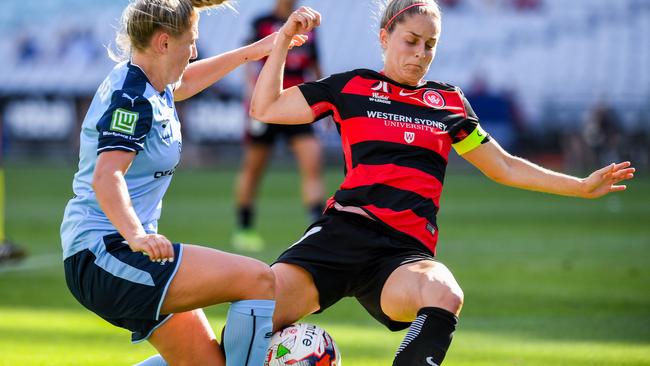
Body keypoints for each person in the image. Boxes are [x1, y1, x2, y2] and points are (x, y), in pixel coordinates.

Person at [249, 2, 636, 365]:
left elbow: (503, 165)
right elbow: (265, 107)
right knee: (252, 319)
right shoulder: (351, 87)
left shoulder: (448, 102)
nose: (420, 53)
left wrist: (581, 186)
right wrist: (283, 40)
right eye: (411, 41)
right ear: (385, 37)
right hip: (340, 234)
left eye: (430, 44)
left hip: (402, 252)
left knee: (445, 294)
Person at [60, 1, 306, 365]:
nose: (193, 51)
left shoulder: (152, 83)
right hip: (105, 254)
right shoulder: (132, 99)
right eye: (190, 42)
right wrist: (136, 236)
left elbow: (187, 81)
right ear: (163, 43)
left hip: (121, 250)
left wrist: (254, 52)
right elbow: (106, 175)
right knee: (258, 280)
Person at [232, 0, 325, 251]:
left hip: (298, 103)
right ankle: (244, 228)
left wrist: (326, 105)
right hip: (267, 103)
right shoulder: (262, 23)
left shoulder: (309, 25)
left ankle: (317, 231)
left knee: (312, 162)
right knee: (254, 167)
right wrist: (251, 96)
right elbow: (248, 60)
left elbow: (316, 68)